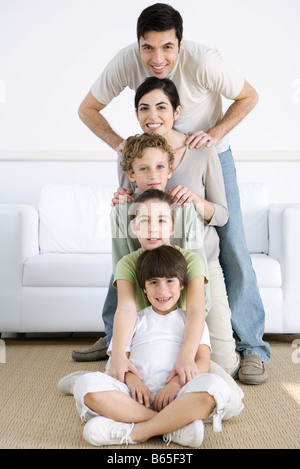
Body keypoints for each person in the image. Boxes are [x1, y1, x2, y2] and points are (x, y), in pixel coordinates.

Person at [75, 3, 270, 383]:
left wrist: (213, 134)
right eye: (148, 48)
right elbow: (88, 109)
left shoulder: (206, 62)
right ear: (138, 45)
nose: (157, 58)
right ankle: (116, 334)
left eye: (167, 47)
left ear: (181, 44)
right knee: (131, 237)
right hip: (152, 153)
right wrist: (121, 145)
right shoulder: (125, 63)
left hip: (202, 149)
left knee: (230, 243)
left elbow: (249, 96)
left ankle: (252, 347)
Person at [59, 246, 243, 448]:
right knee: (86, 386)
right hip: (135, 394)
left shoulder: (190, 321)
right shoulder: (136, 320)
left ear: (182, 285)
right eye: (154, 282)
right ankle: (173, 426)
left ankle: (137, 432)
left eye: (170, 281)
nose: (162, 290)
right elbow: (121, 361)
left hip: (179, 393)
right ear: (144, 288)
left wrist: (175, 385)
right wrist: (133, 382)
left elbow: (202, 363)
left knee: (216, 390)